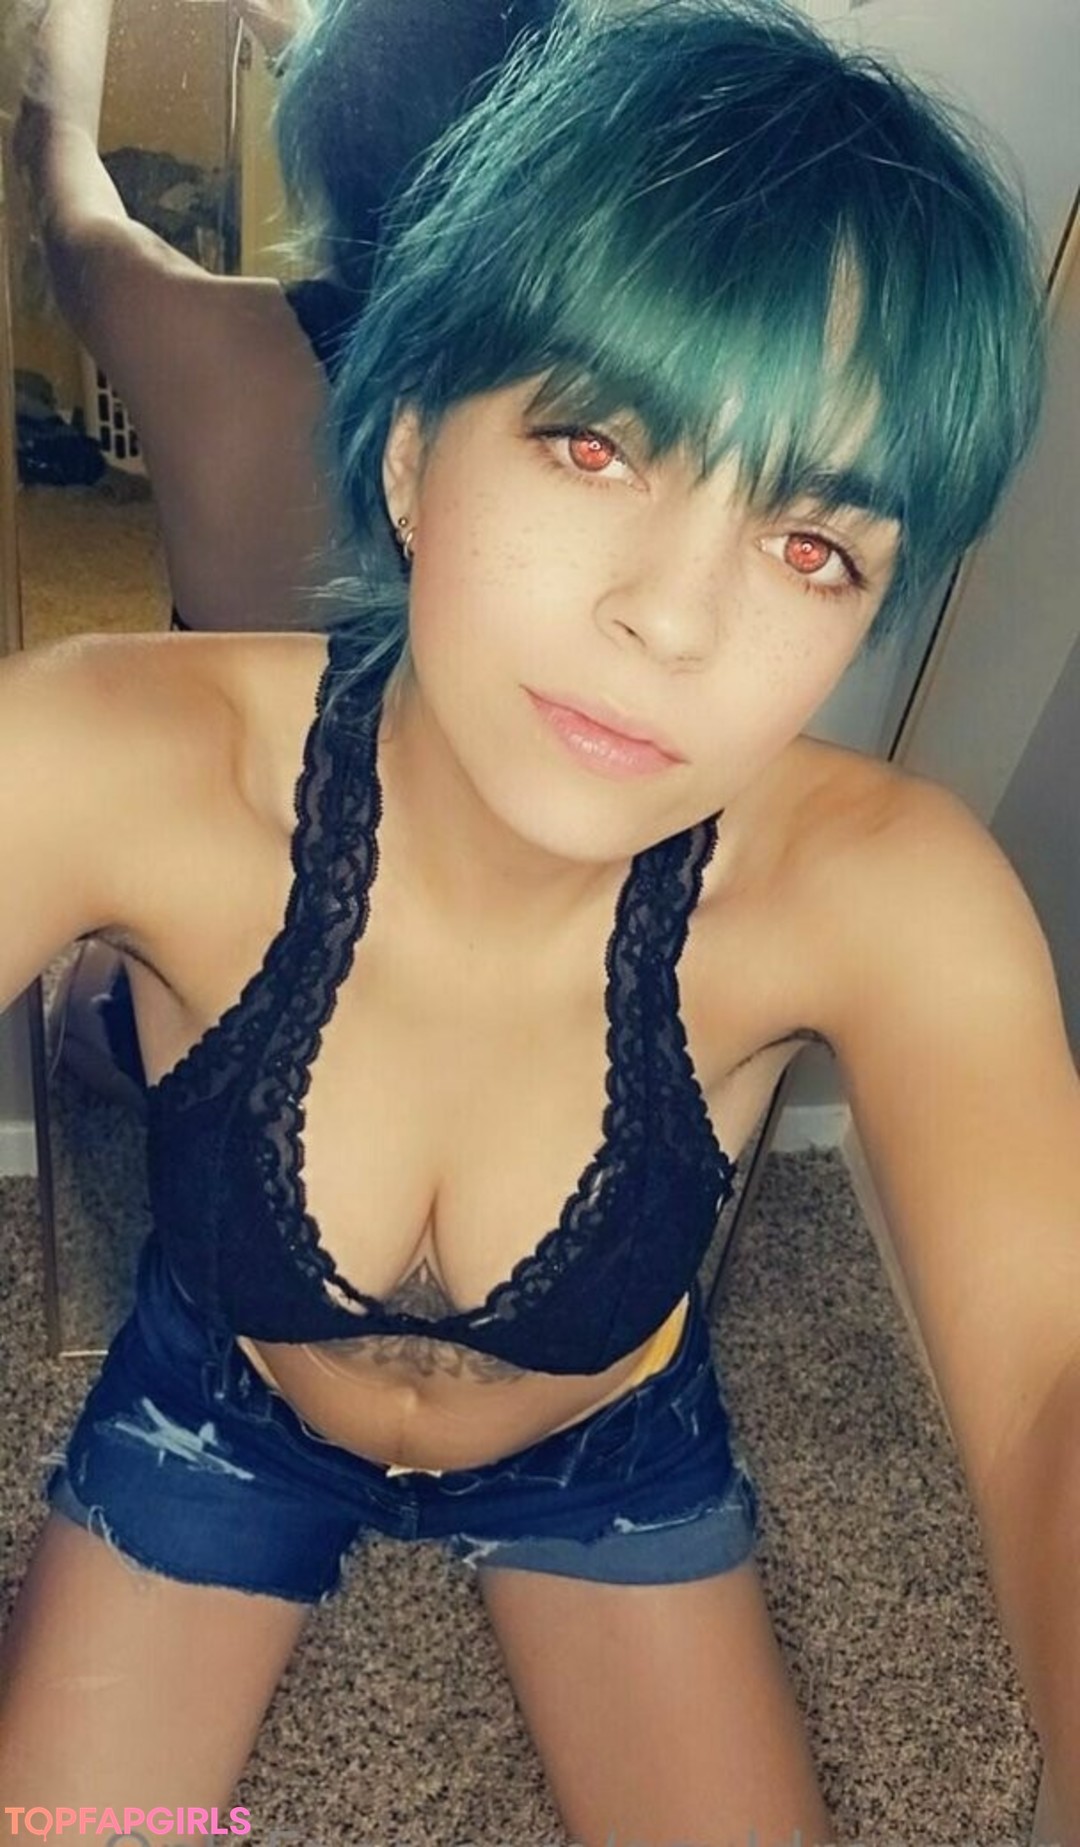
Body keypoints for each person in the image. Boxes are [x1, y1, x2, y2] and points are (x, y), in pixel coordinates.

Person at [1, 2, 1077, 1840]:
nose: (676, 616)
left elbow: (1051, 1374)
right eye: (596, 446)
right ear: (413, 452)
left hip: (603, 1452)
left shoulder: (883, 892)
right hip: (223, 1407)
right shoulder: (114, 758)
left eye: (812, 547)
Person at [12, 0, 560, 632]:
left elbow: (57, 142)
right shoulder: (586, 382)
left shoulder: (219, 355)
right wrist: (317, 54)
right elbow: (459, 137)